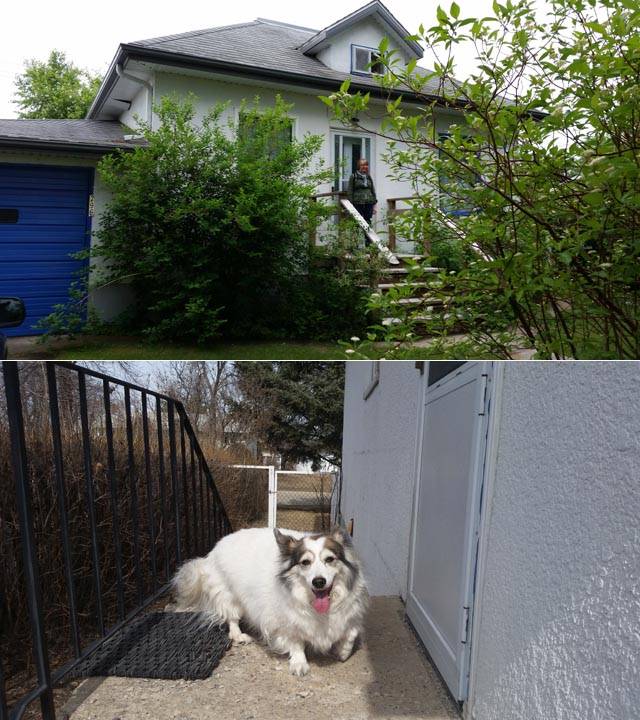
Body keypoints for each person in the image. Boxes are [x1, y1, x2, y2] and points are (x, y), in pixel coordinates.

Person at [347, 158, 377, 246]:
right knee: (356, 223)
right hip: (357, 203)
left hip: (369, 203)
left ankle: (368, 245)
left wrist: (374, 204)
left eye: (366, 165)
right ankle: (354, 245)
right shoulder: (354, 176)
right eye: (363, 165)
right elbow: (350, 191)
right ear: (359, 166)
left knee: (368, 222)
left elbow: (373, 190)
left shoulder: (368, 176)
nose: (365, 167)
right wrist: (350, 205)